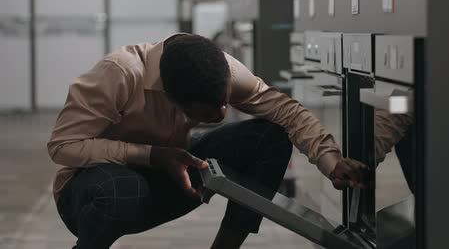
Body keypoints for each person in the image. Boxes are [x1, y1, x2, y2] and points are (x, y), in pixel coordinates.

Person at [47, 34, 369, 249]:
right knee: (120, 188)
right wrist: (152, 155)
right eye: (210, 110)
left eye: (225, 102)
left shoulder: (221, 70)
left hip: (172, 175)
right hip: (93, 196)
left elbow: (287, 112)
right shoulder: (119, 74)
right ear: (173, 99)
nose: (223, 111)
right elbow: (63, 146)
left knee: (269, 136)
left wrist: (331, 161)